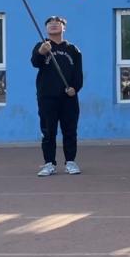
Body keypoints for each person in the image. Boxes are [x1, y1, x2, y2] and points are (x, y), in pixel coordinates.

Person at [33, 16, 83, 176]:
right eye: (50, 23)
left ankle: (70, 162)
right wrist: (41, 52)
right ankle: (49, 163)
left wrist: (75, 88)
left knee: (70, 130)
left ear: (64, 27)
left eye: (57, 23)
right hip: (47, 97)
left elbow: (78, 73)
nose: (53, 24)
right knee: (48, 131)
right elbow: (35, 62)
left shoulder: (73, 50)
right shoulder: (42, 46)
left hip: (68, 98)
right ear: (46, 28)